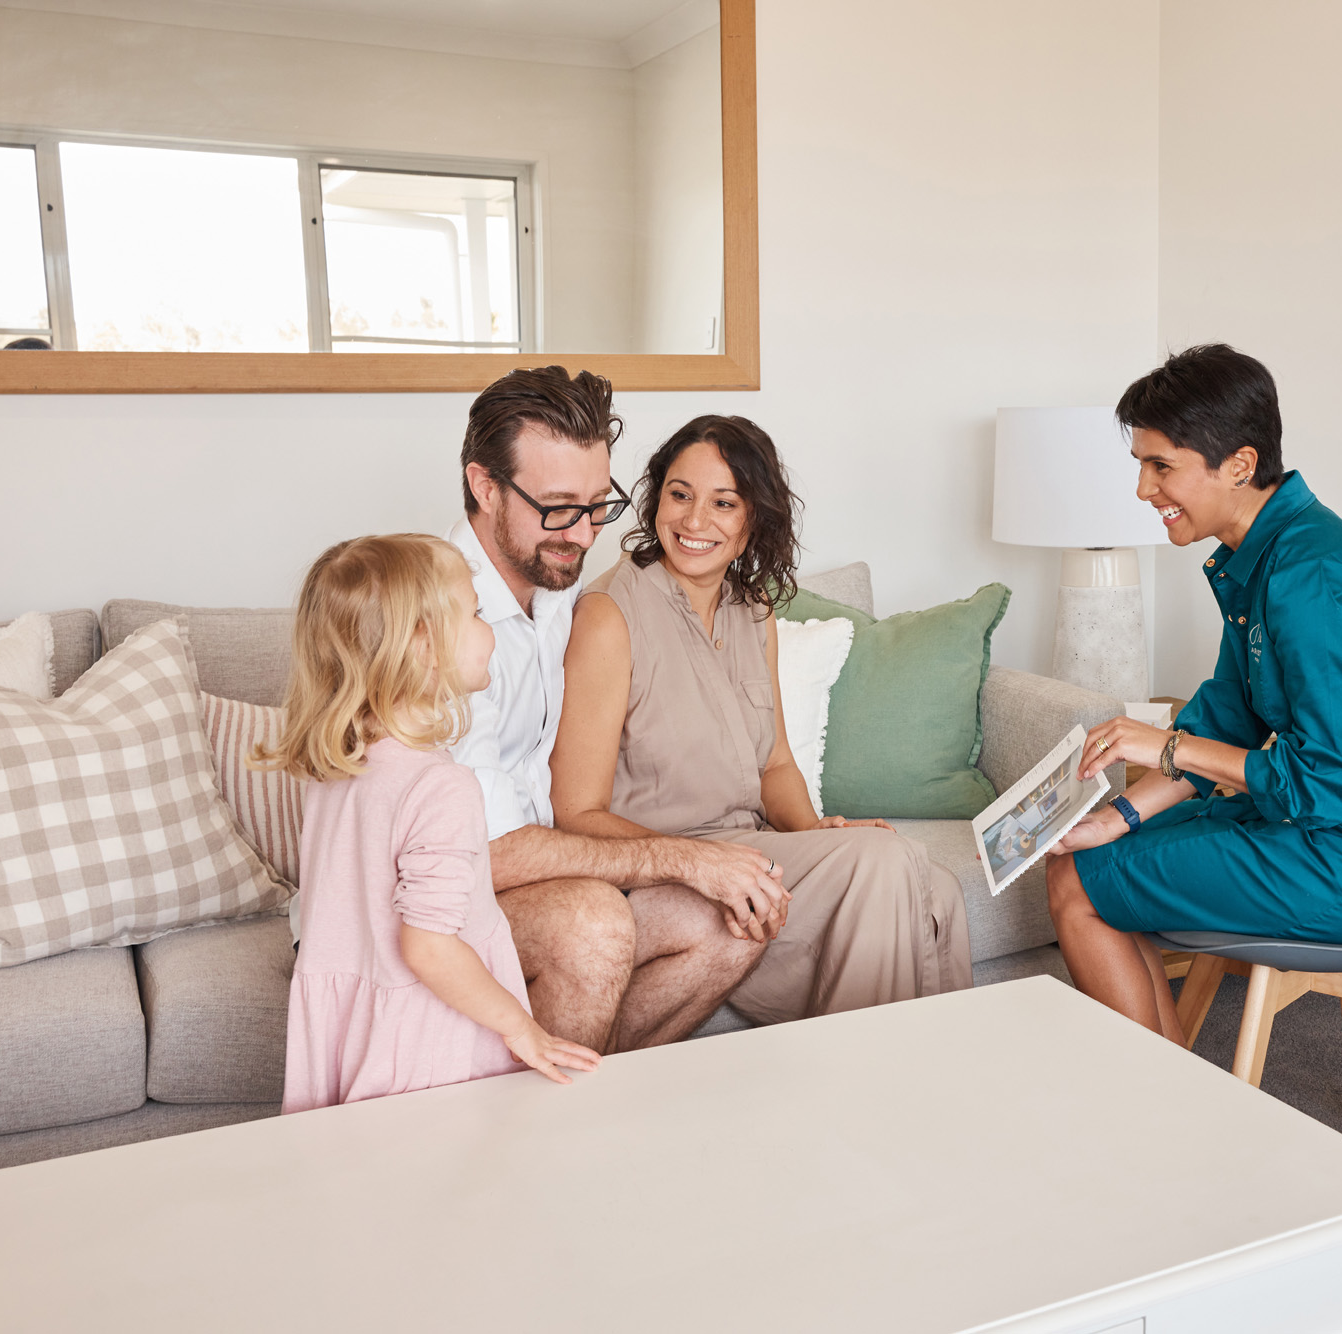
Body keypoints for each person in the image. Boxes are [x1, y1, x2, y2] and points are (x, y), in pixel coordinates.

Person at [1045, 345, 1342, 1043]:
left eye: (1161, 466)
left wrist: (1168, 746)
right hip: (1323, 825)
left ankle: (1162, 1108)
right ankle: (1172, 1092)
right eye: (1142, 466)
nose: (1144, 490)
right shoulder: (1262, 560)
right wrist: (1121, 817)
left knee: (1080, 887)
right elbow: (1227, 719)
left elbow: (1330, 784)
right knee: (1084, 861)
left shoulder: (1316, 578)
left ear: (1238, 464)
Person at [551, 414, 973, 1023]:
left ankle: (916, 1076)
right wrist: (698, 864)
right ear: (655, 500)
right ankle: (876, 1080)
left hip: (751, 852)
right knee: (885, 864)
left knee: (936, 887)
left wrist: (814, 831)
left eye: (723, 502)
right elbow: (576, 812)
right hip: (668, 869)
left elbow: (773, 761)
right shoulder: (609, 617)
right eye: (679, 495)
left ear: (752, 523)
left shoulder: (753, 613)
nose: (694, 522)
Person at [449, 367, 787, 1054]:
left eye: (597, 505)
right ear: (485, 486)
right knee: (592, 919)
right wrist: (686, 858)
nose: (579, 533)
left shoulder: (554, 593)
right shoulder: (435, 611)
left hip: (528, 875)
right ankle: (545, 1140)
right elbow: (482, 855)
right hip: (432, 897)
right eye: (556, 507)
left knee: (730, 919)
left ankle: (574, 1102)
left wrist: (708, 867)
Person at [266, 534, 602, 1113]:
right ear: (423, 645)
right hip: (426, 1036)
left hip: (354, 1028)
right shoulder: (442, 786)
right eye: (474, 613)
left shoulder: (337, 765)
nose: (487, 627)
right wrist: (521, 1027)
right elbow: (427, 947)